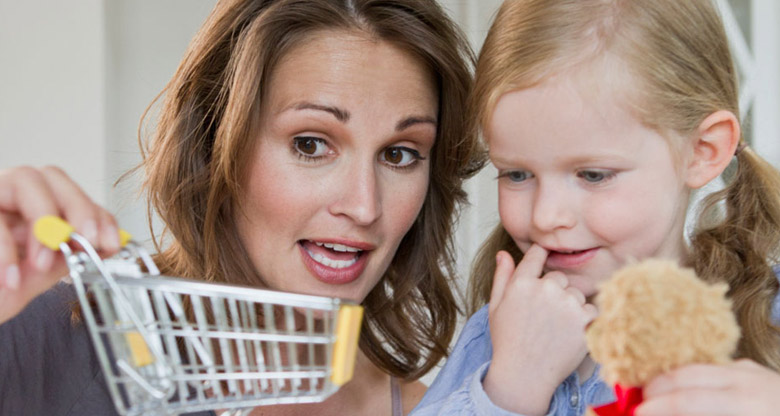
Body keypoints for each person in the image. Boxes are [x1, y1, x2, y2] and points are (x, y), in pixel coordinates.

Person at [0, 0, 481, 415]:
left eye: (399, 154)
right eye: (310, 144)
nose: (364, 206)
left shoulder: (438, 410)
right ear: (214, 145)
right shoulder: (35, 345)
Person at [413, 0, 780, 415]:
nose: (545, 217)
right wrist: (510, 388)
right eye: (516, 174)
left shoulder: (768, 317)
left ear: (703, 150)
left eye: (593, 175)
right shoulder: (499, 332)